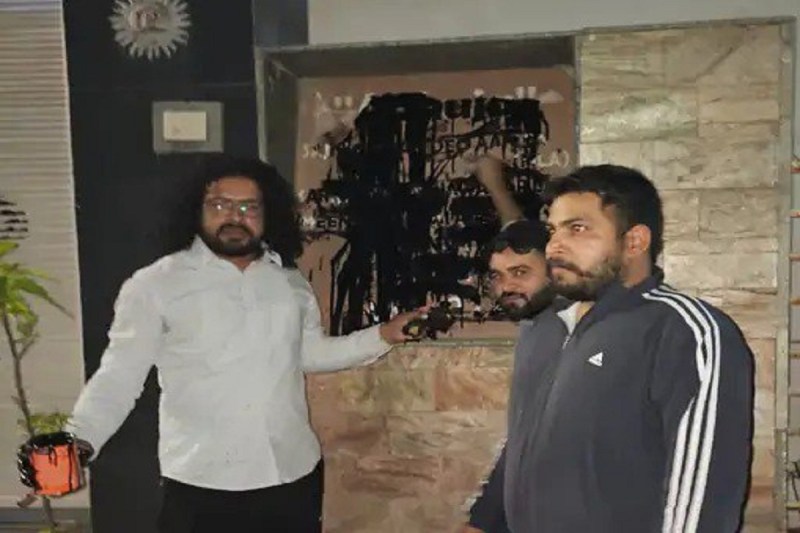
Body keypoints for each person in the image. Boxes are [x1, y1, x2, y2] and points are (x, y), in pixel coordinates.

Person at [20, 156, 424, 533]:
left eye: (249, 207)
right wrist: (79, 440)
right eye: (220, 205)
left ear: (268, 215)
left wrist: (383, 335)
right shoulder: (156, 285)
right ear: (197, 210)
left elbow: (309, 354)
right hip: (202, 483)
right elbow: (119, 377)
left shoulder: (288, 282)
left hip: (292, 474)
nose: (235, 216)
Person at [502, 164, 753, 531]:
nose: (554, 246)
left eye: (577, 228)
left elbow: (703, 497)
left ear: (634, 242)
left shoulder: (684, 331)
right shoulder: (543, 328)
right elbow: (522, 443)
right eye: (553, 230)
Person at [460, 155, 552, 533]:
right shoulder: (539, 310)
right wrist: (494, 183)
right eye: (496, 277)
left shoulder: (561, 336)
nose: (505, 287)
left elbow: (529, 442)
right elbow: (516, 233)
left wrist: (481, 523)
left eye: (519, 274)